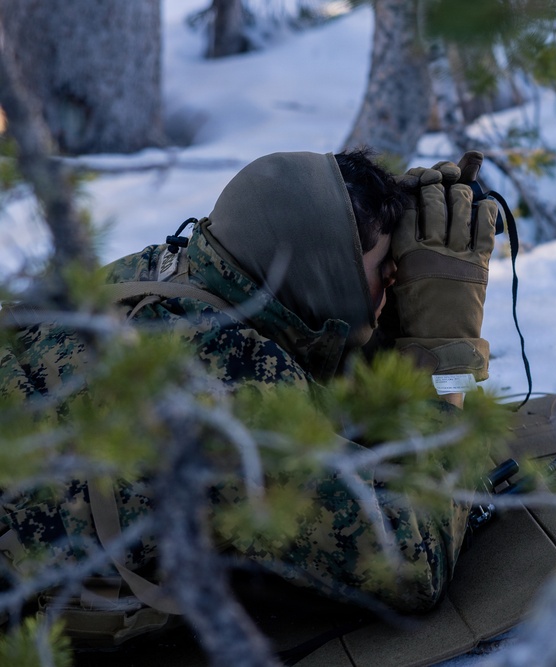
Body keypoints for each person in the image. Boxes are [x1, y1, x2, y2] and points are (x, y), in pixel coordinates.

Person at [0, 148, 499, 616]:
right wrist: (441, 360)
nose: (392, 283)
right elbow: (411, 563)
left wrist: (380, 327)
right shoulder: (229, 384)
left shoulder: (177, 268)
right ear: (327, 275)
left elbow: (321, 390)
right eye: (382, 271)